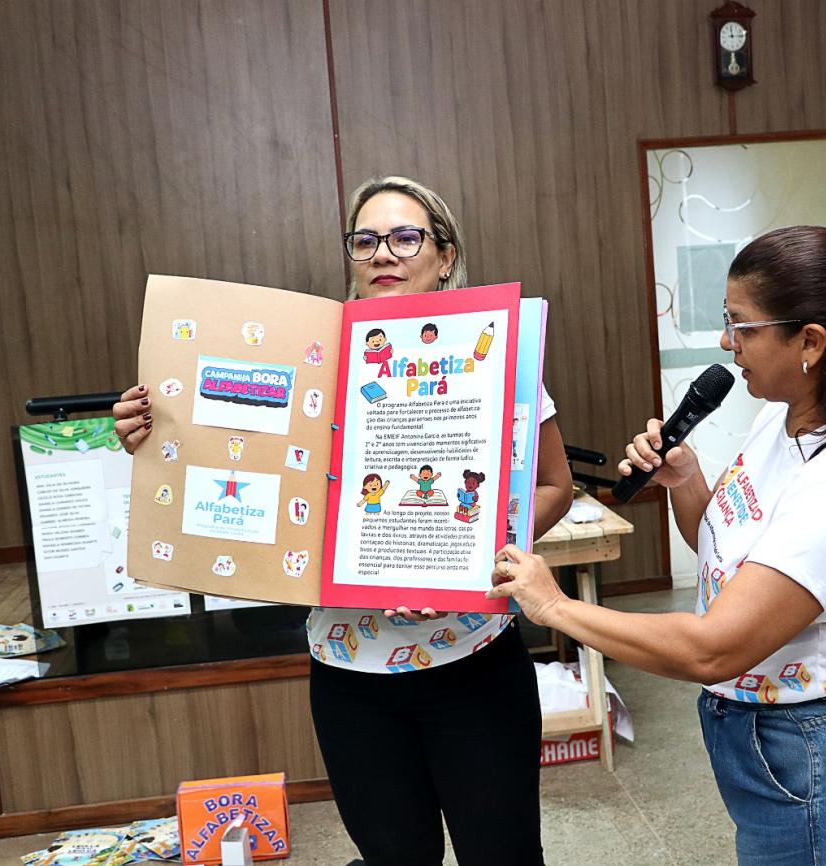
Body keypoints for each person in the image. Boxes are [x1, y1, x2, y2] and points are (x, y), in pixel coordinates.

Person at [113, 175, 574, 866]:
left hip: (472, 663)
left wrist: (475, 552)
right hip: (348, 672)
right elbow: (232, 451)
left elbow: (554, 487)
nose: (383, 253)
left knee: (503, 856)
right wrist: (157, 435)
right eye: (366, 239)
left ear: (445, 255)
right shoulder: (307, 360)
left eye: (406, 237)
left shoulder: (500, 354)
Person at [490, 225, 826, 866]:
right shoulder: (779, 416)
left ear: (810, 342)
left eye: (741, 326)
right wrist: (688, 481)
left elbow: (714, 648)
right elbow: (726, 557)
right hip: (776, 736)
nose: (728, 343)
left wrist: (555, 607)